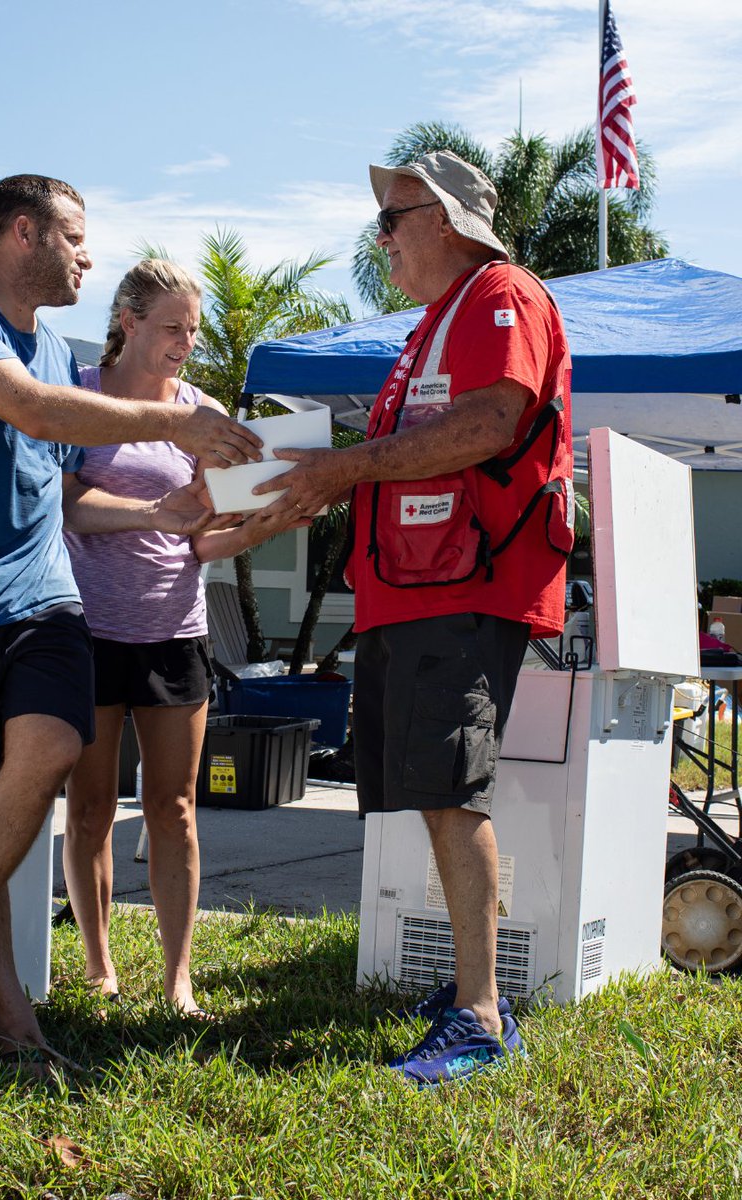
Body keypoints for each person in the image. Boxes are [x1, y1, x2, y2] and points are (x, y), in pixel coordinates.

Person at [0, 175, 262, 1069]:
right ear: (22, 231)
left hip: (44, 597)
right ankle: (7, 1015)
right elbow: (34, 412)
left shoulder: (55, 348)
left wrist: (217, 506)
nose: (88, 256)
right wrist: (178, 423)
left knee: (49, 750)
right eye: (76, 239)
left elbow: (58, 485)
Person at [255, 150, 573, 1085]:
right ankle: (474, 992)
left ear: (447, 218)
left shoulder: (498, 293)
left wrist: (338, 469)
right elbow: (409, 451)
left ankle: (479, 1014)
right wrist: (311, 478)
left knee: (450, 791)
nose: (380, 239)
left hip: (466, 587)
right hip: (414, 588)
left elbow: (486, 426)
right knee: (430, 791)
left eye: (391, 219)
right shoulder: (436, 322)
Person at [61, 258, 306, 1017]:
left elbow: (200, 540)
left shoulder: (200, 410)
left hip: (173, 631)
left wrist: (261, 524)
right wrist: (151, 513)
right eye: (172, 327)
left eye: (192, 330)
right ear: (128, 321)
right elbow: (65, 505)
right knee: (91, 803)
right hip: (88, 630)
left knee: (173, 807)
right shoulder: (79, 392)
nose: (185, 343)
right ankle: (101, 966)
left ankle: (178, 978)